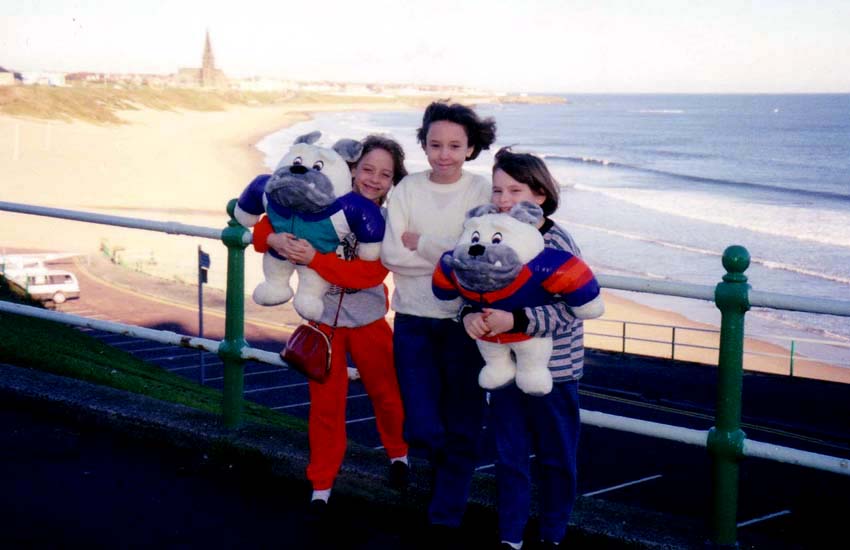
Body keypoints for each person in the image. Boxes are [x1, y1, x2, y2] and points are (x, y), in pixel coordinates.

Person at [253, 135, 410, 513]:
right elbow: (265, 222)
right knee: (325, 405)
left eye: (384, 175)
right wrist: (272, 238)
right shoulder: (315, 203)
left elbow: (371, 274)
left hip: (369, 319)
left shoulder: (385, 221)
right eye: (367, 169)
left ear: (393, 183)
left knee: (387, 393)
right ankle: (321, 482)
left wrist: (315, 259)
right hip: (321, 320)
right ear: (351, 169)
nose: (373, 179)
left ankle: (399, 455)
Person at [462, 147, 602, 549]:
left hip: (555, 372)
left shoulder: (555, 241)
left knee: (556, 458)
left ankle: (553, 534)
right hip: (505, 366)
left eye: (516, 190)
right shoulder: (489, 232)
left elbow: (573, 307)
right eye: (498, 190)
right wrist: (469, 316)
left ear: (540, 194)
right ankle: (510, 535)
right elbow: (471, 289)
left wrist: (518, 321)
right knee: (510, 456)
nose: (504, 200)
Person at [380, 101, 497, 534]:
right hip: (412, 319)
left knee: (463, 422)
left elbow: (476, 257)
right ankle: (442, 479)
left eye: (454, 145)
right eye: (435, 144)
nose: (443, 154)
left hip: (465, 321)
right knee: (424, 423)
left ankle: (445, 513)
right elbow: (393, 254)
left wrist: (424, 243)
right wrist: (447, 254)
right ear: (423, 145)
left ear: (470, 148)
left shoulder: (481, 191)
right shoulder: (407, 188)